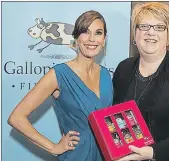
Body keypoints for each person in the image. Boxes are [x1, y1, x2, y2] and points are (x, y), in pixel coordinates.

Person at [8, 10, 113, 161]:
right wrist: (53, 147)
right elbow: (16, 118)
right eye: (85, 32)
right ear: (76, 38)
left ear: (104, 39)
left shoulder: (105, 75)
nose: (92, 39)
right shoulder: (58, 74)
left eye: (98, 32)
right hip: (76, 156)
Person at [113, 2, 169, 161]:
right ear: (135, 33)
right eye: (144, 26)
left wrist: (154, 152)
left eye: (159, 27)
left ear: (168, 35)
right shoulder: (123, 68)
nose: (151, 32)